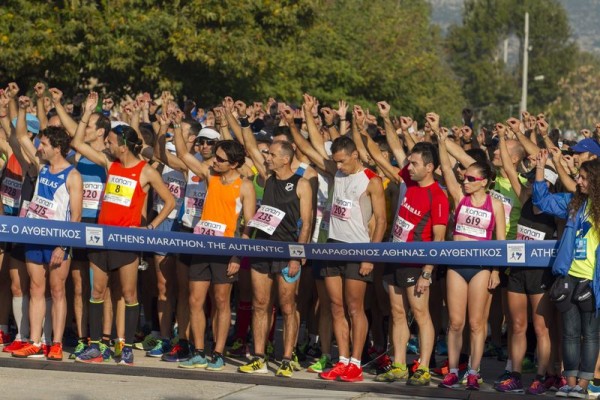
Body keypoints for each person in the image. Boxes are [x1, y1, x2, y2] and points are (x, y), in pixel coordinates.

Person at [71, 92, 175, 366]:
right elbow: (77, 143)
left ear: (124, 146)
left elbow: (170, 201)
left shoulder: (145, 171)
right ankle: (96, 346)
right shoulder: (110, 164)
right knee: (97, 293)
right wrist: (87, 112)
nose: (108, 145)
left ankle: (126, 347)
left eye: (112, 142)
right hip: (101, 237)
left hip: (128, 240)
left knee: (129, 294)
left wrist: (151, 226)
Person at [171, 109, 256, 372]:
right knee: (196, 301)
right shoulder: (211, 176)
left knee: (221, 303)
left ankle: (217, 354)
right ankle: (198, 351)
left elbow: (248, 226)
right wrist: (176, 126)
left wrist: (236, 256)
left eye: (219, 159)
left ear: (232, 163)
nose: (214, 161)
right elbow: (184, 155)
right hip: (202, 246)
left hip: (226, 250)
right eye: (215, 158)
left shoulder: (244, 186)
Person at [10, 96, 83, 361]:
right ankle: (35, 341)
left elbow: (76, 217)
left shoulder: (73, 176)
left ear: (58, 148)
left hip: (58, 242)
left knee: (57, 291)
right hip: (34, 237)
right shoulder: (41, 168)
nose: (40, 148)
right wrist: (22, 107)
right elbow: (20, 137)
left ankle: (56, 343)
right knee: (36, 290)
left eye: (44, 144)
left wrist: (63, 246)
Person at [436, 127, 505, 390]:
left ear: (484, 181)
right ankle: (453, 369)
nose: (465, 181)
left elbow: (499, 241)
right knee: (455, 322)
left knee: (477, 323)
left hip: (481, 267)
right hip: (457, 265)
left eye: (471, 178)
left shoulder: (495, 204)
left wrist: (496, 271)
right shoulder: (459, 197)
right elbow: (444, 168)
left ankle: (474, 372)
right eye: (464, 177)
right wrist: (442, 142)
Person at [238, 139, 313, 378]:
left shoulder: (301, 184)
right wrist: (238, 121)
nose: (267, 157)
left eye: (271, 154)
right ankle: (259, 357)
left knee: (288, 307)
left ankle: (287, 359)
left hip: (287, 253)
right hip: (263, 249)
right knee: (260, 304)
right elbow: (249, 146)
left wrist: (296, 256)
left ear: (285, 158)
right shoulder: (267, 178)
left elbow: (306, 223)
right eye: (266, 154)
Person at [533, 150, 600, 398]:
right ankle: (570, 383)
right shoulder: (574, 203)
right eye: (579, 177)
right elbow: (542, 201)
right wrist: (540, 168)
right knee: (570, 334)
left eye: (583, 178)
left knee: (591, 334)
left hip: (593, 281)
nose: (578, 181)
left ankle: (583, 386)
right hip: (568, 278)